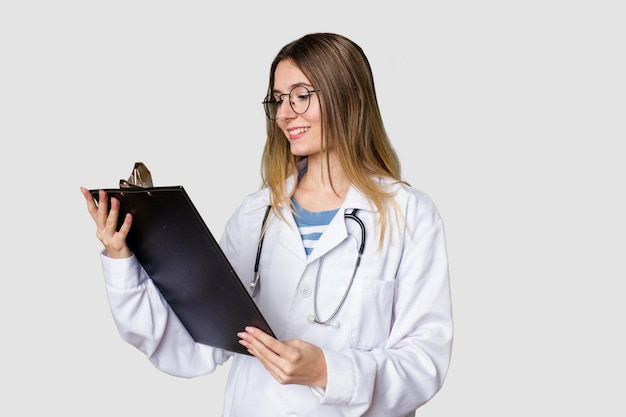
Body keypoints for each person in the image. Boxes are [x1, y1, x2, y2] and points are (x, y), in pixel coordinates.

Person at [81, 32, 453, 417]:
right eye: (277, 99)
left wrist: (329, 371)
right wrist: (122, 257)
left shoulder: (409, 215)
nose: (284, 114)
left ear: (352, 96)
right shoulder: (255, 214)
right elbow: (196, 343)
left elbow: (425, 362)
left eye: (301, 95)